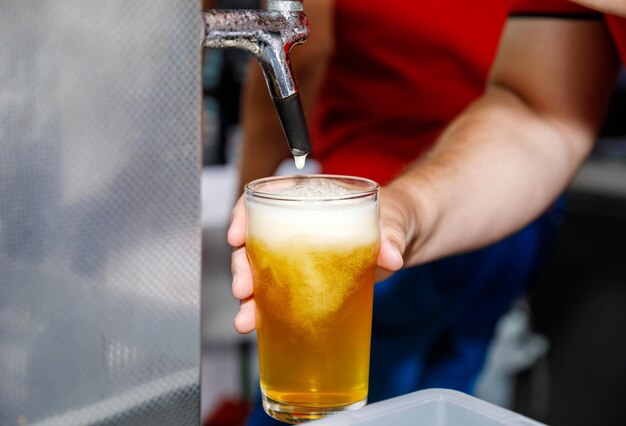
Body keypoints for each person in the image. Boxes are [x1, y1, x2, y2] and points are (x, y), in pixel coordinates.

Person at [228, 0, 624, 423]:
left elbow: (309, 54)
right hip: (463, 209)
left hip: (422, 198)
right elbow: (540, 110)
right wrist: (402, 212)